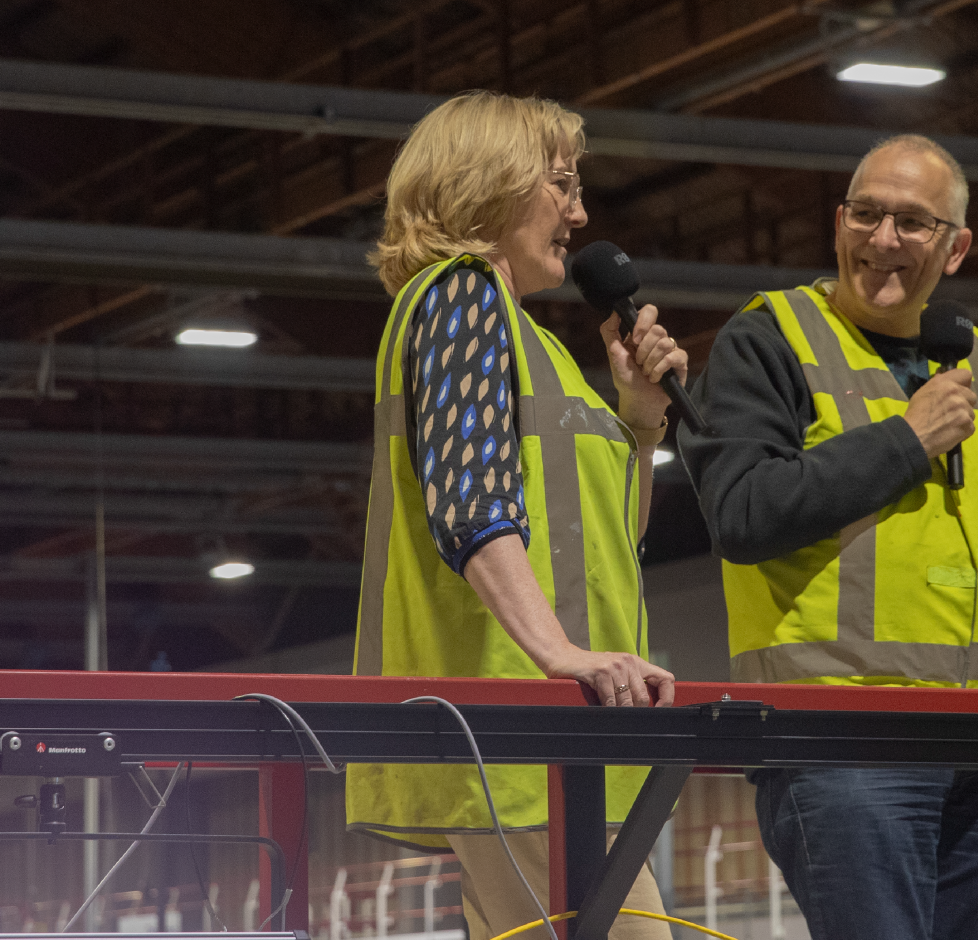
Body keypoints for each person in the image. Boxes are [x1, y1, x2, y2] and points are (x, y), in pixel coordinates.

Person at [678, 134, 978, 940]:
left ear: (957, 246)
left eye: (911, 222)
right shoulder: (770, 338)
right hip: (846, 748)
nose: (880, 241)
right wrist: (907, 441)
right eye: (864, 213)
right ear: (838, 220)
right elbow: (744, 513)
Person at [348, 89, 687, 940]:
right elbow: (470, 504)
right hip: (513, 734)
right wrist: (558, 653)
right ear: (487, 182)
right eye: (561, 183)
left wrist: (640, 426)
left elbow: (616, 542)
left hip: (553, 742)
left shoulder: (536, 348)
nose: (578, 212)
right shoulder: (462, 298)